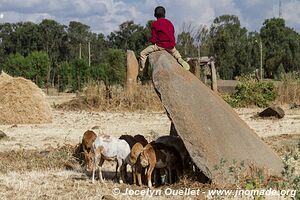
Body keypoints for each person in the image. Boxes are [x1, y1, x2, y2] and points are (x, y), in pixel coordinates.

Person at [140, 6, 190, 73]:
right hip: (171, 45)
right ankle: (179, 58)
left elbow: (154, 38)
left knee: (143, 53)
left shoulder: (155, 24)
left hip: (160, 45)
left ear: (155, 15)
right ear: (165, 14)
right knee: (175, 52)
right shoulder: (169, 23)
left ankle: (143, 71)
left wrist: (154, 43)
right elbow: (172, 34)